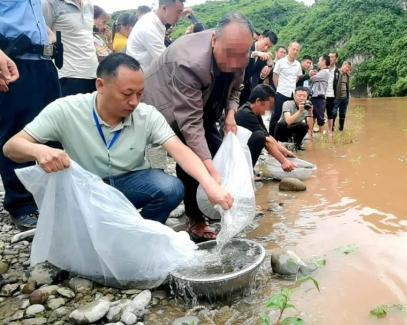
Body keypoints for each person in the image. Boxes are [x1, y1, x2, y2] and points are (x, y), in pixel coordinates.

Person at [2, 54, 233, 226]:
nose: (134, 102)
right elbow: (11, 147)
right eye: (127, 93)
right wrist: (39, 151)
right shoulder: (67, 109)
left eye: (140, 94)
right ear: (100, 85)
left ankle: (139, 232)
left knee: (171, 187)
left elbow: (180, 151)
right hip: (88, 188)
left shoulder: (147, 114)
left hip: (131, 183)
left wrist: (210, 185)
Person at [142, 13, 253, 241]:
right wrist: (209, 172)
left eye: (242, 55)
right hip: (170, 106)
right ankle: (195, 218)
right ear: (214, 40)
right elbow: (190, 124)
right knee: (193, 159)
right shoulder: (188, 61)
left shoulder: (239, 53)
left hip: (205, 103)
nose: (235, 63)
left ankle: (217, 206)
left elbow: (236, 89)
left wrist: (231, 113)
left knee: (218, 152)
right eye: (230, 55)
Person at [0, 1, 62, 230]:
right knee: (15, 132)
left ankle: (51, 197)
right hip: (11, 58)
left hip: (43, 62)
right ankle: (21, 205)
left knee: (53, 130)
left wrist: (46, 33)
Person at [42, 0, 99, 96]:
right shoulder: (50, 3)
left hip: (93, 73)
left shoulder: (88, 4)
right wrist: (46, 66)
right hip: (68, 75)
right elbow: (44, 38)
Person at [235, 85, 296, 170]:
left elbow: (268, 136)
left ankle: (247, 169)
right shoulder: (245, 114)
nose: (270, 109)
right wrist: (284, 162)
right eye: (269, 105)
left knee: (261, 135)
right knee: (259, 137)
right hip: (232, 155)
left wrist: (285, 151)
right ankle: (245, 170)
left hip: (239, 150)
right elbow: (267, 141)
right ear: (258, 101)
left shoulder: (253, 111)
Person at [126, 0, 184, 74]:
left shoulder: (154, 20)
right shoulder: (149, 27)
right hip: (143, 77)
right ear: (164, 8)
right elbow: (167, 62)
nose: (179, 17)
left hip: (147, 70)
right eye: (178, 12)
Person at [270, 41, 302, 135]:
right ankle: (271, 136)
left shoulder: (298, 64)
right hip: (281, 92)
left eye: (297, 50)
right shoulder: (280, 62)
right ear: (289, 49)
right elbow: (275, 76)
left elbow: (297, 77)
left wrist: (291, 85)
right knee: (277, 114)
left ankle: (287, 137)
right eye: (293, 49)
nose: (295, 52)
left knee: (292, 116)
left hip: (292, 94)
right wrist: (278, 88)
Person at [239, 30, 277, 105]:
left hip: (248, 93)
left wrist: (262, 75)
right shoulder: (247, 45)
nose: (266, 48)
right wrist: (255, 53)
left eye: (269, 47)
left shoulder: (263, 57)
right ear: (260, 37)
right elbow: (239, 55)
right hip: (234, 87)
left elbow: (255, 77)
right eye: (266, 44)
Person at [308, 55, 331, 136]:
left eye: (319, 60)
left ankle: (321, 137)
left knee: (320, 118)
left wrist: (310, 71)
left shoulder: (325, 72)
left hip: (319, 98)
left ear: (324, 61)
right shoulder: (322, 71)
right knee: (312, 116)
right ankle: (310, 135)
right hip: (314, 97)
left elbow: (312, 78)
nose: (318, 62)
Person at [332, 61, 351, 131]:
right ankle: (332, 128)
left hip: (344, 98)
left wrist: (347, 98)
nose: (348, 69)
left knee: (343, 113)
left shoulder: (347, 76)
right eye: (347, 67)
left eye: (349, 68)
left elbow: (347, 87)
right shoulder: (336, 73)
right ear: (343, 65)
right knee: (333, 113)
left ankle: (341, 128)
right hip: (337, 97)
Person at [326, 51, 340, 133]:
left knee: (331, 114)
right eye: (329, 57)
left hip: (332, 96)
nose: (330, 59)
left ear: (336, 59)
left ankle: (330, 130)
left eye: (332, 57)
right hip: (322, 96)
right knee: (317, 115)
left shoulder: (338, 72)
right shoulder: (323, 69)